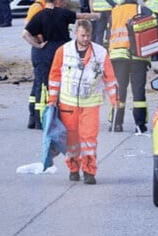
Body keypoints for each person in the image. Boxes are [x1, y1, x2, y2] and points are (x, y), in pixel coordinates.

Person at [47, 19, 118, 184]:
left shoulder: (100, 53)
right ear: (75, 34)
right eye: (82, 35)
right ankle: (73, 169)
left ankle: (89, 172)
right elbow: (54, 76)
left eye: (88, 35)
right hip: (68, 103)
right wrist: (52, 99)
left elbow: (109, 77)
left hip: (91, 104)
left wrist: (114, 99)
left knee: (89, 140)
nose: (86, 39)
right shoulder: (63, 51)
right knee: (71, 140)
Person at [22, 0, 98, 129]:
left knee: (43, 85)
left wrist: (38, 45)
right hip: (62, 50)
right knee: (63, 83)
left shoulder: (40, 15)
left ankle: (39, 120)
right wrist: (97, 15)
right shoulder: (63, 13)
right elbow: (81, 16)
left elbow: (25, 34)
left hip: (46, 51)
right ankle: (62, 117)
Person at [108, 0, 152, 133]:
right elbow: (152, 30)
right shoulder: (142, 10)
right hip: (137, 56)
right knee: (138, 92)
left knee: (119, 91)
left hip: (118, 55)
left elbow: (108, 34)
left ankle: (116, 123)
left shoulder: (115, 11)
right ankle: (139, 124)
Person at [21, 0, 55, 128]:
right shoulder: (37, 7)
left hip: (42, 48)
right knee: (40, 83)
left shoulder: (44, 6)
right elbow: (28, 29)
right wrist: (39, 41)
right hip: (40, 49)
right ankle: (36, 116)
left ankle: (33, 117)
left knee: (38, 83)